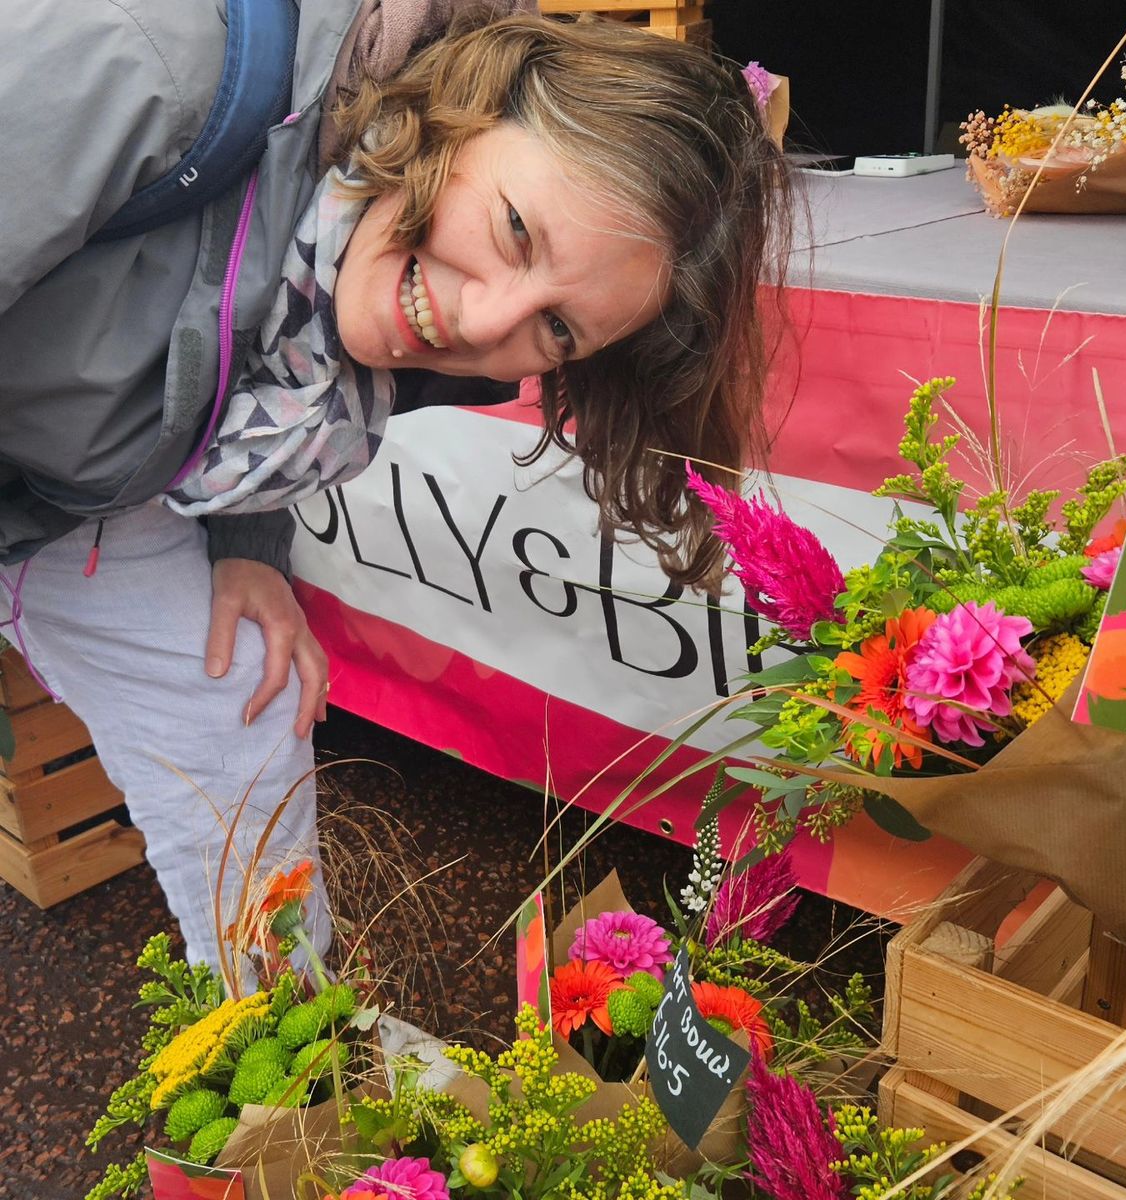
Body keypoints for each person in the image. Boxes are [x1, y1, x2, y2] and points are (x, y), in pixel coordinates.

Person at [0, 0, 791, 973]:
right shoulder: (158, 59)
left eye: (558, 332)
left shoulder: (380, 242)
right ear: (467, 99)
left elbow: (251, 360)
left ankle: (288, 1086)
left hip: (67, 493)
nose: (480, 319)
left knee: (244, 698)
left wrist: (243, 543)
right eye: (513, 229)